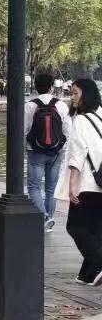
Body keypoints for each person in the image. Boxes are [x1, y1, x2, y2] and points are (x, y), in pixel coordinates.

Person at [56, 79, 102, 285]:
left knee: (76, 227)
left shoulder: (81, 120)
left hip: (88, 183)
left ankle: (98, 263)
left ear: (86, 94)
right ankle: (88, 274)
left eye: (75, 93)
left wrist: (72, 185)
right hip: (100, 183)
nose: (72, 97)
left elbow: (77, 153)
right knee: (95, 230)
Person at [24, 72, 72, 232]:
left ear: (35, 86)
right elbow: (68, 131)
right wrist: (61, 147)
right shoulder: (61, 105)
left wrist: (27, 145)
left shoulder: (29, 106)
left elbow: (23, 130)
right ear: (52, 87)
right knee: (51, 189)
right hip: (56, 152)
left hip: (35, 152)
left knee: (33, 187)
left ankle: (45, 217)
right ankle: (48, 222)